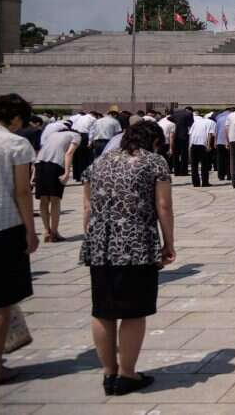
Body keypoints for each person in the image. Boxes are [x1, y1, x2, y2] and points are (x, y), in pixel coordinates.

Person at [81, 121, 175, 396]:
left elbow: (87, 205)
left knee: (103, 311)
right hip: (136, 244)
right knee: (134, 312)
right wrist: (169, 242)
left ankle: (108, 372)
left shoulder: (100, 161)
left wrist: (91, 235)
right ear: (154, 142)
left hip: (100, 244)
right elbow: (163, 205)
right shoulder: (154, 162)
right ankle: (127, 374)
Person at [0, 94, 39, 386]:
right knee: (1, 301)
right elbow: (22, 191)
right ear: (16, 118)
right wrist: (30, 230)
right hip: (4, 227)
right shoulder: (15, 143)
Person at [34, 125, 80, 242]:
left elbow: (41, 152)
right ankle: (54, 232)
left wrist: (33, 175)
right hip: (55, 165)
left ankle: (46, 231)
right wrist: (67, 172)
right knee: (55, 199)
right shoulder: (76, 135)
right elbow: (69, 153)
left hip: (40, 165)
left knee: (44, 199)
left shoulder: (52, 135)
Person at [188, 112, 216, 188]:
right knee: (204, 165)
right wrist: (208, 145)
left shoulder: (196, 122)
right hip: (203, 145)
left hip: (193, 144)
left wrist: (189, 146)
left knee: (194, 165)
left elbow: (190, 134)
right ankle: (205, 182)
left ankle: (195, 183)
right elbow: (210, 134)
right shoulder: (211, 122)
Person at [169, 106, 195, 176]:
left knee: (176, 155)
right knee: (184, 155)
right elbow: (191, 125)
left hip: (175, 136)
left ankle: (176, 171)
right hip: (184, 136)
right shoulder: (189, 114)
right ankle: (183, 171)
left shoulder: (175, 114)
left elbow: (169, 119)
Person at [214, 107, 234, 182]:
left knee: (220, 159)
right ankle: (229, 175)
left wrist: (215, 141)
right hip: (229, 141)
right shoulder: (232, 118)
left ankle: (221, 175)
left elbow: (216, 131)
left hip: (219, 141)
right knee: (229, 159)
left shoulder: (219, 118)